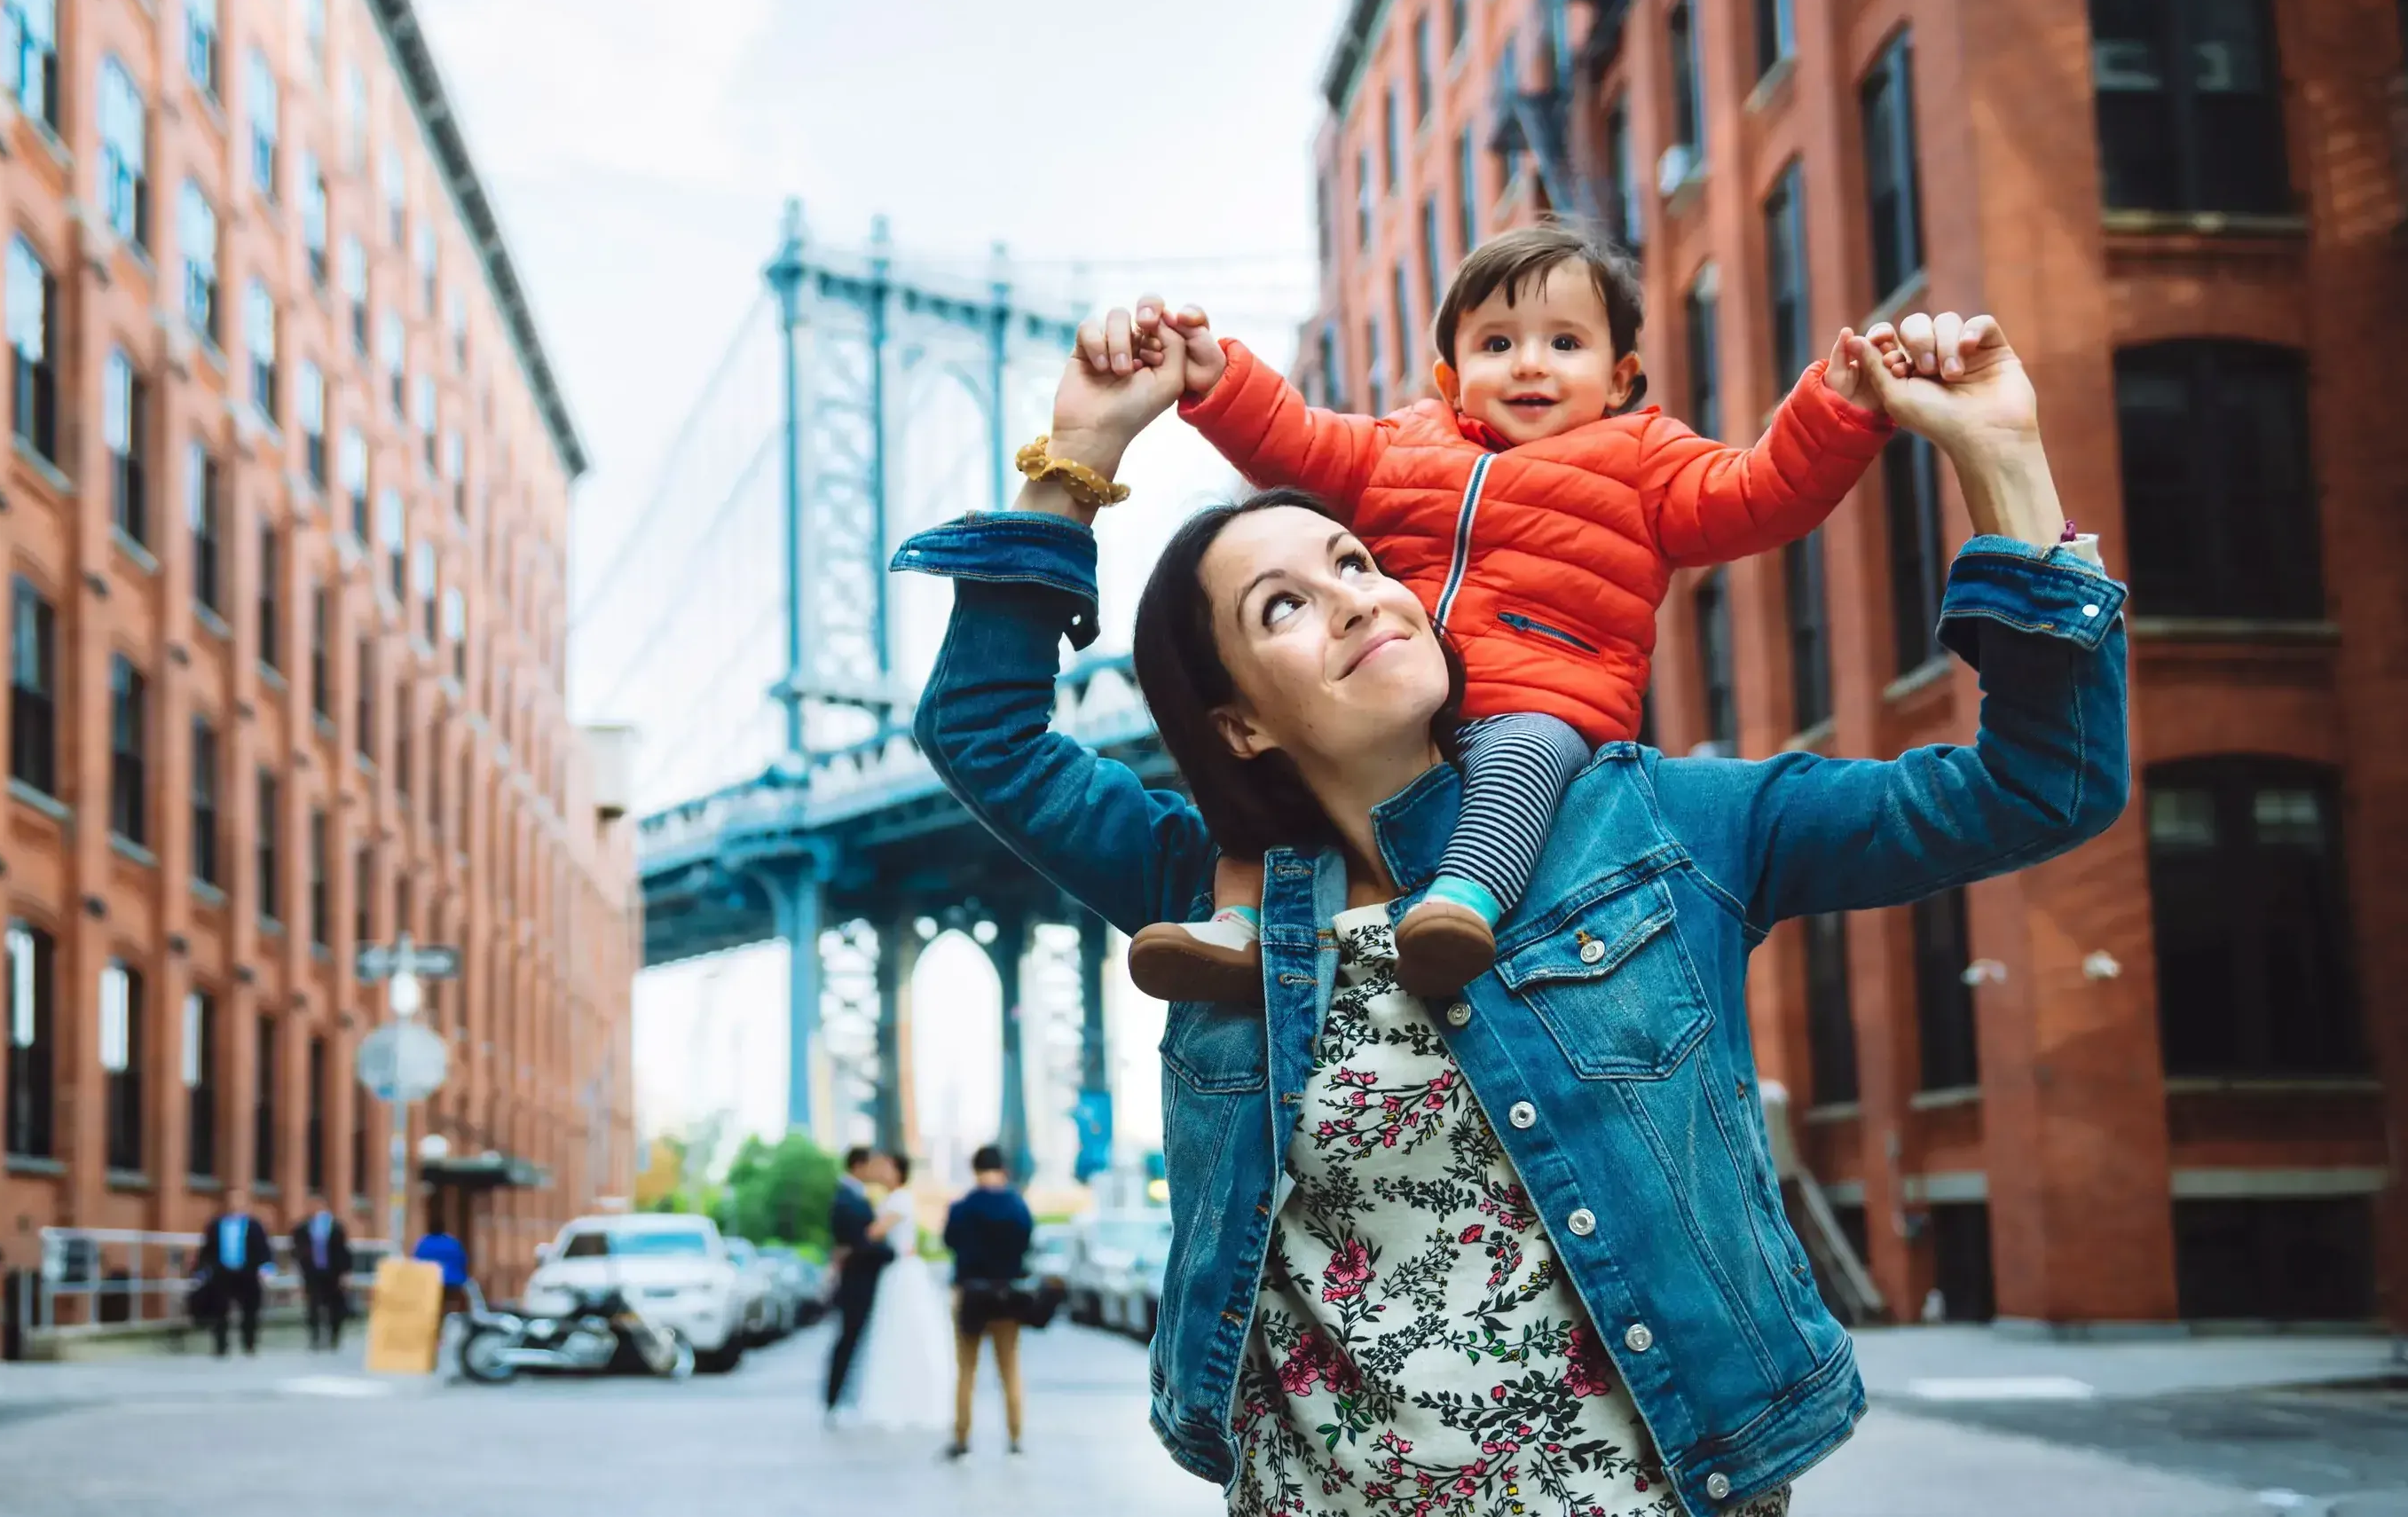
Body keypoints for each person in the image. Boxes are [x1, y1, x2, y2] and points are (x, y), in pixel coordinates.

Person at [891, 303, 2128, 1513]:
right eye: (1282, 607)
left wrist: (2004, 458)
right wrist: (1082, 453)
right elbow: (983, 732)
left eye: (1357, 564)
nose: (1357, 599)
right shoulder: (1207, 901)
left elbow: (2039, 787)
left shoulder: (1656, 828)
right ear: (1239, 722)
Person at [1121, 224, 1895, 1002]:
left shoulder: (1645, 459)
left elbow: (1760, 494)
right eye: (1496, 344)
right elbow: (1297, 442)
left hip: (1543, 701)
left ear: (1620, 376)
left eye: (1565, 342)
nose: (1529, 363)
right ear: (1451, 379)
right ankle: (1236, 930)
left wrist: (1836, 412)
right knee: (1283, 789)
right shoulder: (1403, 444)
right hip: (1404, 701)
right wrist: (1220, 382)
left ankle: (1460, 906)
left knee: (1520, 760)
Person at [846, 1151, 954, 1434]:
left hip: (902, 1273)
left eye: (885, 1166)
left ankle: (908, 1401)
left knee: (903, 1336)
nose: (879, 1171)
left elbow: (872, 1233)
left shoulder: (899, 1200)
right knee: (892, 1337)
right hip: (895, 1272)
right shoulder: (890, 1200)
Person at [941, 1144, 1035, 1459]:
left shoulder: (962, 1206)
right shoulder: (1017, 1206)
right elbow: (1026, 1242)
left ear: (975, 1169)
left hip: (971, 1296)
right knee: (1010, 1368)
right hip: (1007, 1296)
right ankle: (1015, 1436)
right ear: (1003, 1168)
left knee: (966, 1370)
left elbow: (950, 1241)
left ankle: (962, 1437)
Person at [823, 1145, 895, 1420]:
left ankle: (841, 1398)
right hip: (857, 1281)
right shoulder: (846, 1199)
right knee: (849, 1339)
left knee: (855, 1340)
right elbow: (859, 1243)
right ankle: (836, 1400)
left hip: (863, 1279)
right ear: (859, 1166)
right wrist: (889, 1253)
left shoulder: (855, 1196)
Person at [193, 1190, 271, 1357]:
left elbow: (263, 1249)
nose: (234, 1204)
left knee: (250, 1311)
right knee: (219, 1310)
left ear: (245, 1204)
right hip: (223, 1273)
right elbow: (207, 1250)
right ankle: (221, 1346)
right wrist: (201, 1270)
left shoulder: (254, 1225)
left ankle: (249, 1345)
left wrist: (266, 1268)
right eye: (231, 1201)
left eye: (238, 1201)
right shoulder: (216, 1225)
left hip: (248, 1273)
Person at [291, 1194, 354, 1352]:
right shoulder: (303, 1227)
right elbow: (297, 1249)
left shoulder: (336, 1227)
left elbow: (343, 1251)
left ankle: (334, 1336)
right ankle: (315, 1337)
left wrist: (345, 1272)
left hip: (333, 1273)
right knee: (313, 1306)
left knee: (335, 1307)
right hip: (312, 1274)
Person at [411, 1215, 472, 1314]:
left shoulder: (423, 1244)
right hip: (454, 1284)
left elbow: (416, 1265)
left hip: (431, 1284)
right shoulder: (452, 1242)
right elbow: (463, 1261)